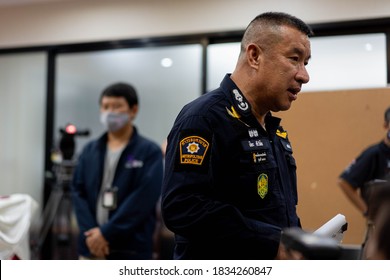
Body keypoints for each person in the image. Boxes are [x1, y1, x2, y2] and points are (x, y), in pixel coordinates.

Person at [161, 12, 312, 260]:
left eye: (306, 63)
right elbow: (182, 207)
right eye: (294, 59)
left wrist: (297, 242)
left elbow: (275, 211)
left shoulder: (273, 129)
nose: (304, 75)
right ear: (254, 56)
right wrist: (272, 243)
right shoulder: (204, 118)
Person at [71, 82, 163, 260]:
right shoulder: (89, 150)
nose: (110, 112)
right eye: (105, 107)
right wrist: (92, 235)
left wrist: (106, 234)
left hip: (130, 250)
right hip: (90, 248)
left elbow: (143, 200)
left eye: (117, 106)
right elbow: (78, 192)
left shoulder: (149, 152)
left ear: (133, 110)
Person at [338, 107, 390, 218]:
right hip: (380, 224)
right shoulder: (374, 154)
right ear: (386, 125)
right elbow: (344, 182)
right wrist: (367, 211)